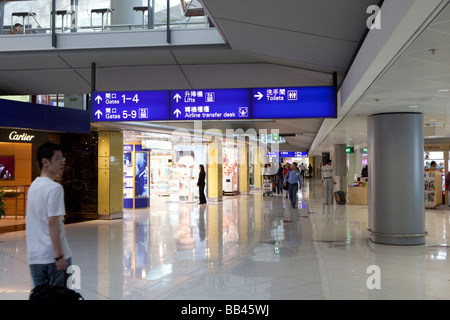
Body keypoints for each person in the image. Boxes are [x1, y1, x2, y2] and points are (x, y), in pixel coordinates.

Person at [26, 142, 72, 289]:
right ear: (45, 162)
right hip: (53, 257)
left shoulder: (33, 186)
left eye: (63, 158)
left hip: (35, 257)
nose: (63, 162)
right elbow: (53, 224)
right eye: (58, 158)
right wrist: (59, 256)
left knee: (40, 296)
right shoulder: (55, 188)